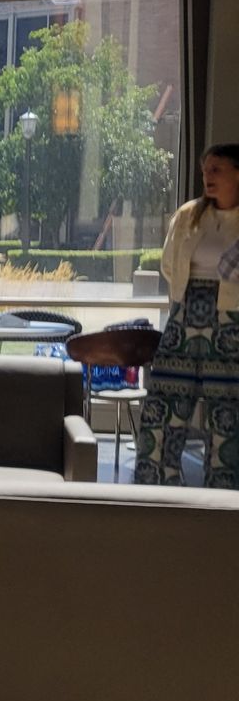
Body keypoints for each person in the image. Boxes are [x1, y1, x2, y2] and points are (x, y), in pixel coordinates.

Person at [141, 143, 239, 489]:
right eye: (204, 171)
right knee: (165, 401)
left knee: (226, 409)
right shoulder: (189, 215)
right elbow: (170, 263)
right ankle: (157, 485)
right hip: (185, 314)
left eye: (217, 170)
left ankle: (224, 495)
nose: (207, 177)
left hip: (231, 321)